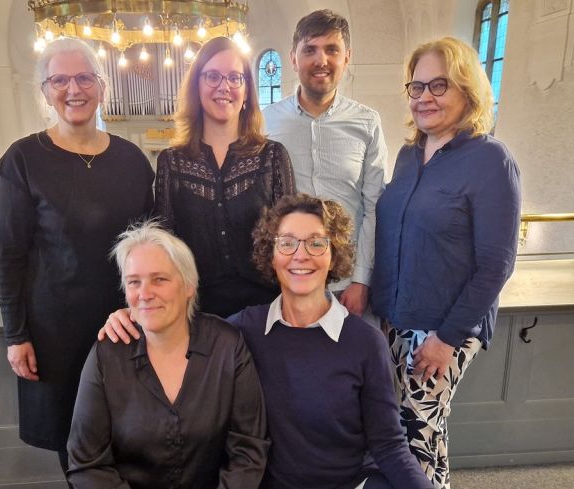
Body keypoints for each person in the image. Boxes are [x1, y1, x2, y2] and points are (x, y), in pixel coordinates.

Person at [101, 194, 433, 489]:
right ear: (271, 255)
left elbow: (390, 446)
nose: (301, 255)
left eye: (316, 243)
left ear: (333, 255)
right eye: (287, 243)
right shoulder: (240, 331)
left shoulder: (366, 343)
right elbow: (175, 326)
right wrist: (132, 314)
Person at [0, 37, 155, 478]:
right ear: (45, 92)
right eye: (59, 80)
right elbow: (9, 256)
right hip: (56, 333)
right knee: (78, 448)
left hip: (127, 325)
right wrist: (16, 335)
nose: (73, 89)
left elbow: (152, 245)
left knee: (135, 437)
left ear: (102, 86)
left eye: (84, 77)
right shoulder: (24, 159)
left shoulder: (132, 159)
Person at [371, 37, 521, 488]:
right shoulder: (408, 155)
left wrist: (447, 338)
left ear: (467, 90)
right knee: (419, 430)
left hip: (443, 327)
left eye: (439, 85)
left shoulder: (490, 160)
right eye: (416, 87)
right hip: (394, 318)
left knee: (413, 433)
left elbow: (497, 264)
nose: (425, 97)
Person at [67, 222, 269, 488]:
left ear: (189, 286)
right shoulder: (107, 355)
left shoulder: (227, 346)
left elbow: (249, 449)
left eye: (159, 279)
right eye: (134, 282)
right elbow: (87, 464)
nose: (144, 294)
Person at [156, 36, 295, 317]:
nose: (224, 86)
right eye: (212, 76)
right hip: (198, 314)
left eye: (234, 77)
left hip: (266, 312)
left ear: (247, 91)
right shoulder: (172, 163)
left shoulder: (272, 156)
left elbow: (290, 240)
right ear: (197, 86)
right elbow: (166, 247)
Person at [263, 10, 387, 318]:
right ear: (293, 59)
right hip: (287, 279)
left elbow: (374, 207)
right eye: (310, 50)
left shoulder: (367, 122)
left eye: (332, 49)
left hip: (347, 286)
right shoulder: (265, 123)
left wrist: (361, 280)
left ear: (347, 58)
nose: (321, 60)